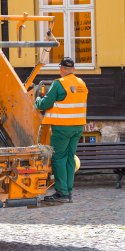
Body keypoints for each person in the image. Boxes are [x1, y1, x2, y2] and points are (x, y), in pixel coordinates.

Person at [35, 57, 88, 204]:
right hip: (78, 127)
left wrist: (36, 101)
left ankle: (61, 193)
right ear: (73, 69)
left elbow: (45, 103)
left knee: (58, 158)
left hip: (62, 128)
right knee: (70, 158)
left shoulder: (59, 84)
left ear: (61, 69)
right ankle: (68, 192)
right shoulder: (81, 83)